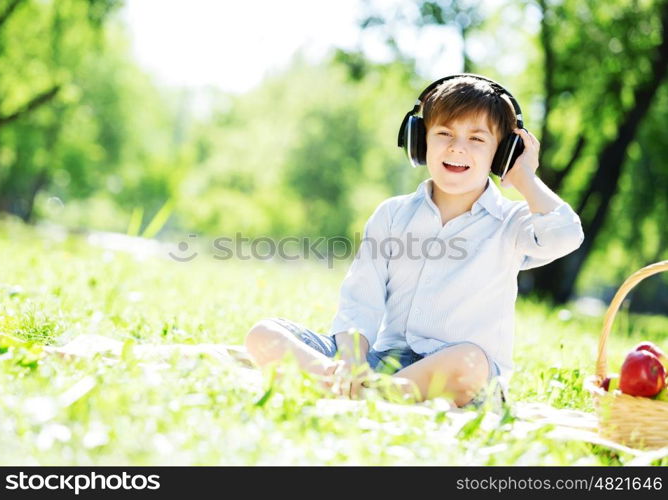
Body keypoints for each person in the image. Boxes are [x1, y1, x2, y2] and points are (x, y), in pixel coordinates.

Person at [244, 74, 585, 409]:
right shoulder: (392, 215)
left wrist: (523, 177)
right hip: (385, 365)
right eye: (444, 133)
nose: (457, 147)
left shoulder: (512, 223)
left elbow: (567, 235)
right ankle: (364, 388)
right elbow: (360, 301)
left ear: (502, 154)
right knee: (264, 334)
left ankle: (355, 393)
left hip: (458, 373)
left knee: (469, 362)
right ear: (420, 142)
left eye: (477, 140)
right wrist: (352, 361)